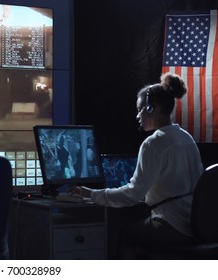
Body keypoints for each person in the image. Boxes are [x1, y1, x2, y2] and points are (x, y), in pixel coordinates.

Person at [71, 72, 203, 258]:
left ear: (152, 108)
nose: (137, 116)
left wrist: (91, 194)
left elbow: (133, 194)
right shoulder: (186, 138)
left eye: (140, 109)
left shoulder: (153, 143)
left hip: (172, 224)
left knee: (125, 233)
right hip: (196, 224)